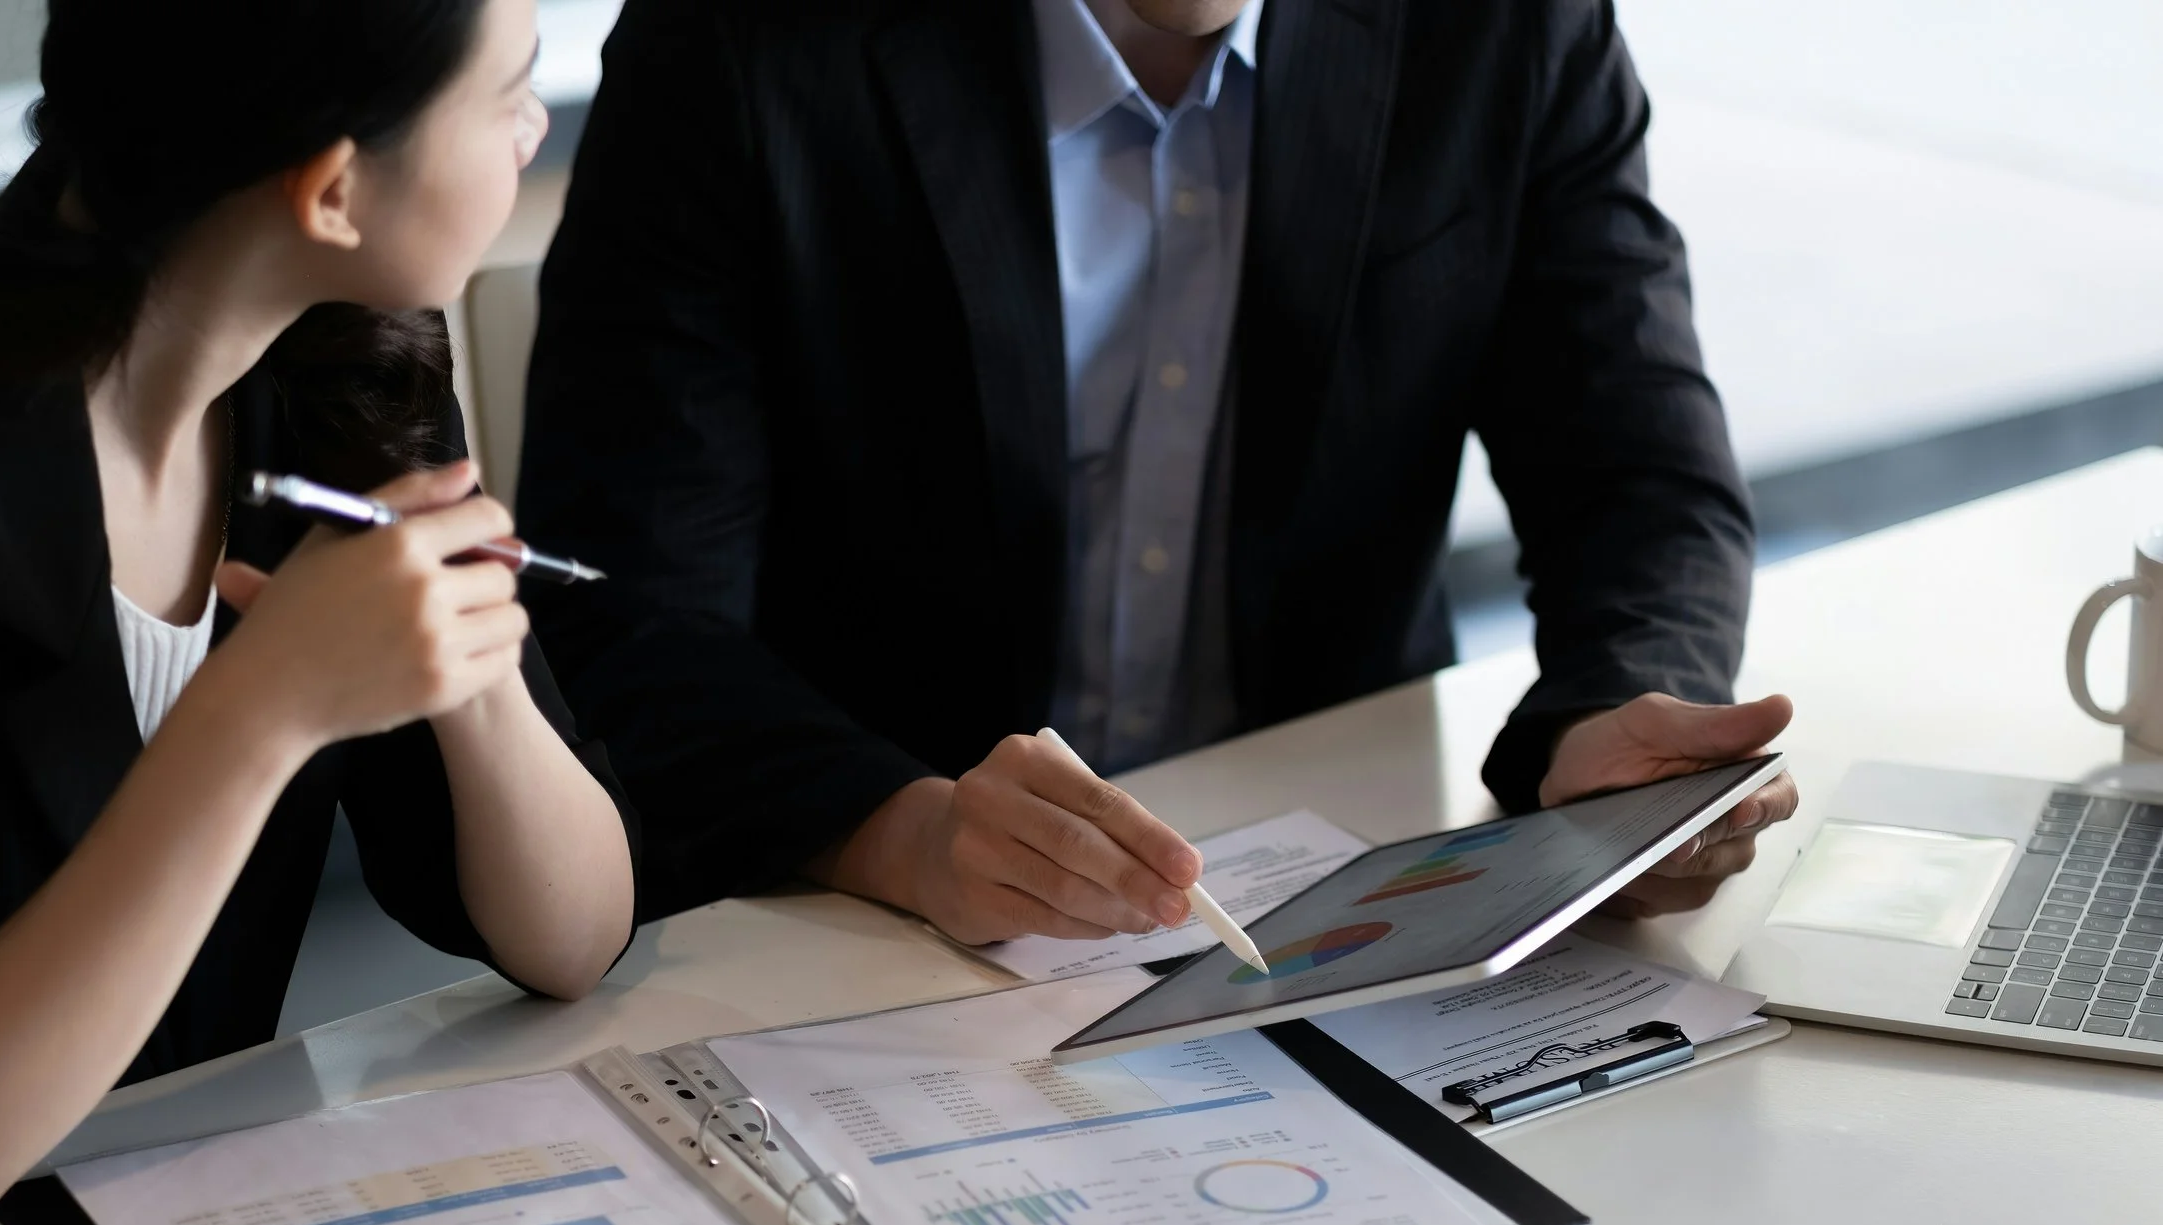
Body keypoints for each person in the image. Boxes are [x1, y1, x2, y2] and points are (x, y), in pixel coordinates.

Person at [519, 0, 1798, 944]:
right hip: (853, 910)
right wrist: (900, 830)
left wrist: (1617, 717)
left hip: (1328, 888)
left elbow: (1640, 472)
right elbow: (623, 599)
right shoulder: (735, 42)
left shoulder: (1508, 29)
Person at [0, 0, 634, 1225]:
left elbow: (573, 940)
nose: (533, 128)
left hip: (161, 1222)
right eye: (505, 95)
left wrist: (476, 667)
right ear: (334, 192)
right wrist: (265, 704)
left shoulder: (344, 371)